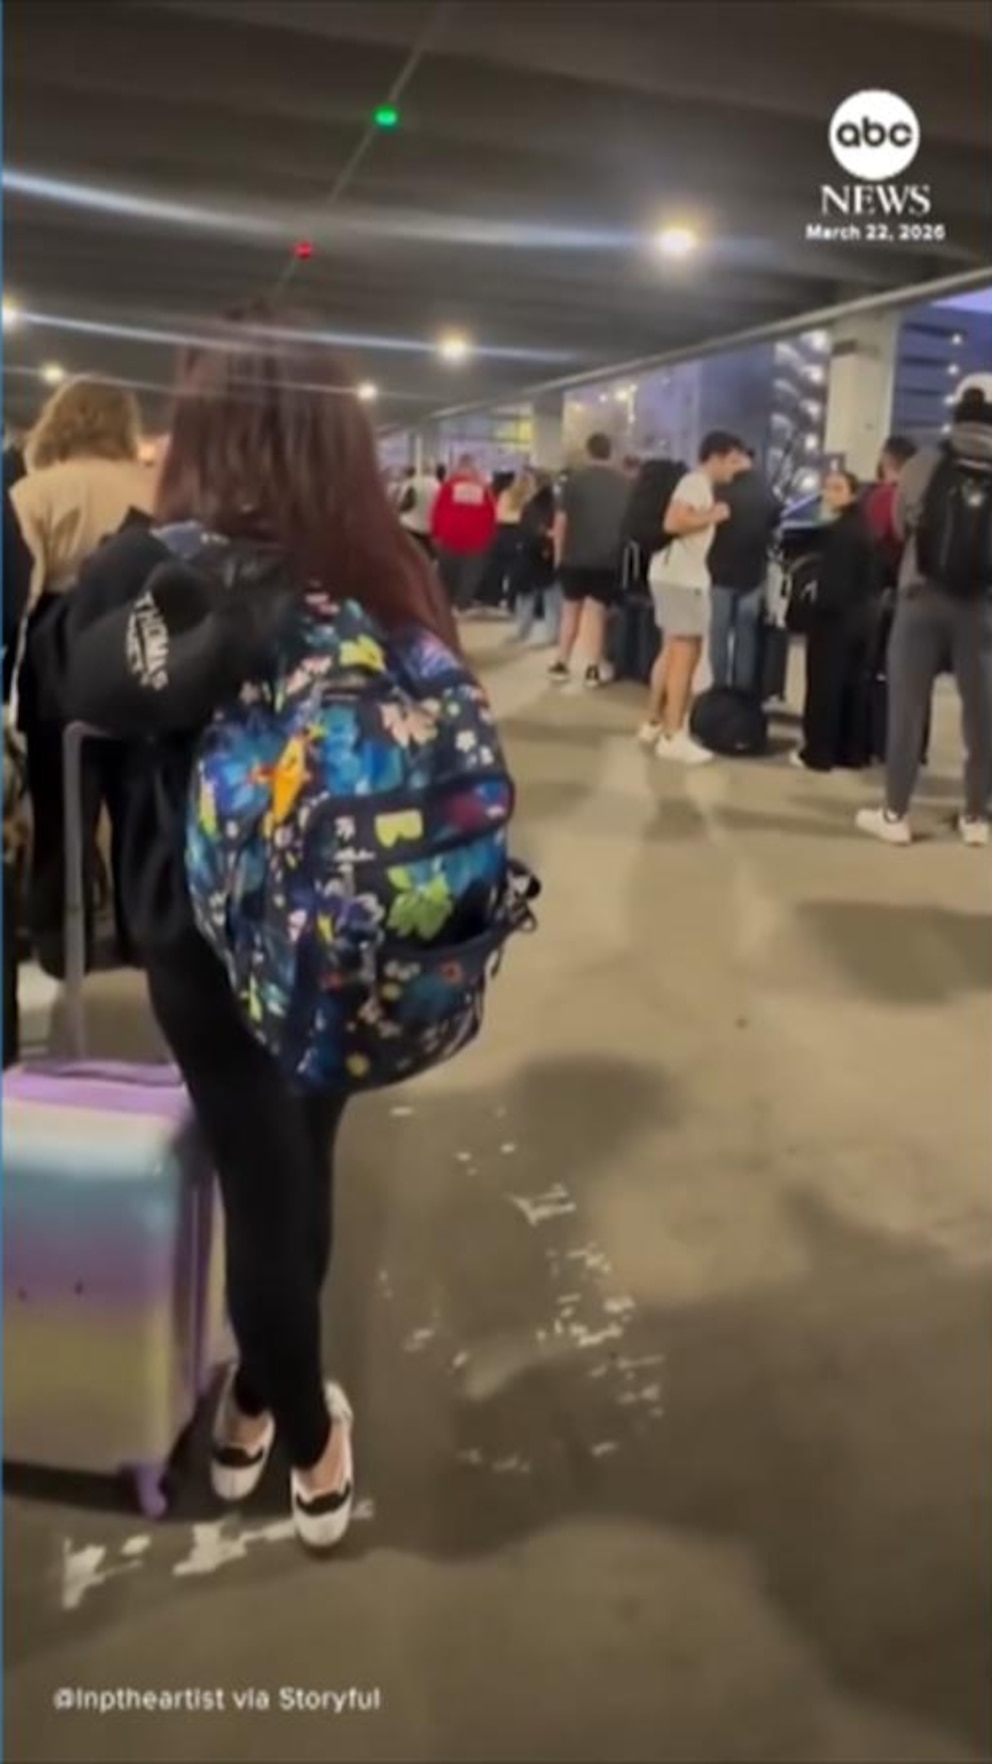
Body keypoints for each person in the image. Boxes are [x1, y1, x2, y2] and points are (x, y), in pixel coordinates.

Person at [44, 305, 458, 1549]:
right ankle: (271, 1403)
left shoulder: (149, 566)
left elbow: (79, 708)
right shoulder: (386, 565)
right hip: (353, 917)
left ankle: (289, 1420)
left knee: (253, 1165)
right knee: (299, 1156)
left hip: (197, 926)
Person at [11, 378, 156, 973]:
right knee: (144, 809)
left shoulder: (35, 491)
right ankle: (143, 936)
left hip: (62, 660)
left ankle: (58, 943)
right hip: (146, 655)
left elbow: (20, 591)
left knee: (60, 810)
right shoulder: (157, 488)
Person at [857, 374, 992, 848]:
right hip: (983, 608)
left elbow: (899, 524)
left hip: (920, 598)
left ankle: (895, 814)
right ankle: (976, 817)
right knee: (983, 715)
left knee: (908, 710)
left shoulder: (925, 462)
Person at [637, 432, 745, 763]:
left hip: (672, 575)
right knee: (686, 654)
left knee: (672, 651)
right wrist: (714, 515)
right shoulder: (695, 484)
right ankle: (673, 734)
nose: (736, 468)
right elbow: (673, 521)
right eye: (732, 460)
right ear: (715, 457)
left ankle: (654, 723)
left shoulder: (695, 484)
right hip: (682, 579)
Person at [791, 470, 880, 772]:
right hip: (862, 618)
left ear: (852, 494)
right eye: (827, 487)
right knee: (852, 686)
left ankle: (818, 753)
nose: (829, 493)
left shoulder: (839, 532)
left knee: (824, 687)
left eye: (837, 488)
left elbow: (834, 585)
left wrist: (813, 612)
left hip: (834, 621)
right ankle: (851, 752)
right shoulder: (865, 528)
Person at [548, 432, 630, 689]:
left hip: (574, 556)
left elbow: (561, 522)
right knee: (596, 612)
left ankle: (561, 662)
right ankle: (593, 668)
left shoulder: (573, 481)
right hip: (608, 558)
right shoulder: (624, 483)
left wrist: (558, 555)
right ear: (610, 452)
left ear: (588, 451)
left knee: (570, 610)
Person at [707, 448, 780, 692]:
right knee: (746, 636)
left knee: (719, 634)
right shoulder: (766, 492)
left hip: (720, 573)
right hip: (753, 575)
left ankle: (719, 689)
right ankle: (742, 691)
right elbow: (775, 524)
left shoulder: (721, 489)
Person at [431, 453, 497, 611]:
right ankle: (462, 606)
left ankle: (445, 606)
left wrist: (435, 534)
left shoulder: (448, 487)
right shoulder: (484, 490)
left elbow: (437, 512)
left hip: (449, 537)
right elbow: (491, 515)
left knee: (447, 576)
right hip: (477, 541)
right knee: (470, 577)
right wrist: (489, 538)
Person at [863, 435, 917, 589]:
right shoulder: (918, 494)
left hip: (884, 583)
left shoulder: (884, 496)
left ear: (885, 459)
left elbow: (874, 539)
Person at [509, 473, 558, 642]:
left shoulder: (529, 507)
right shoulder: (557, 506)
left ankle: (523, 631)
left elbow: (526, 531)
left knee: (526, 596)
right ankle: (553, 634)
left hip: (530, 556)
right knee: (552, 598)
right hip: (551, 556)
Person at [396, 463, 439, 556]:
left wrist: (397, 510)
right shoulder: (438, 485)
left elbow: (407, 503)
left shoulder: (415, 483)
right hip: (429, 529)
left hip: (411, 526)